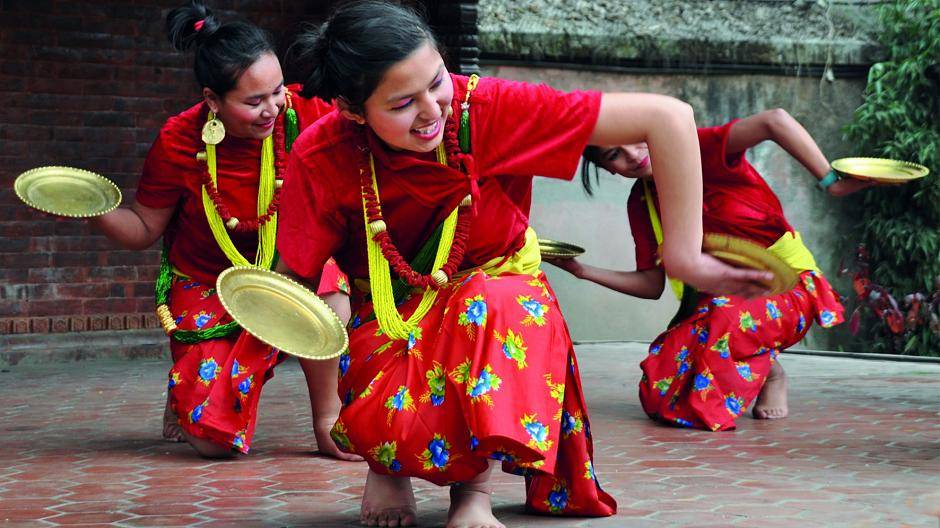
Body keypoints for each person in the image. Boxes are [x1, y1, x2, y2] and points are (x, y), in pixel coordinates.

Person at [277, 2, 771, 526]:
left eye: (437, 81)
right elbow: (302, 286)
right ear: (353, 112)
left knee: (490, 303)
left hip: (494, 290)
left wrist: (682, 254)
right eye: (402, 104)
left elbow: (668, 117)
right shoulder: (323, 153)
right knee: (371, 340)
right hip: (389, 306)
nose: (432, 111)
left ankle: (474, 493)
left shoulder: (484, 108)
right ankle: (388, 467)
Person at [84, 0, 355, 459]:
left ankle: (328, 418)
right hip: (206, 281)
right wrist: (90, 207)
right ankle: (187, 392)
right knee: (212, 443)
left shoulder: (305, 115)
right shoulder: (178, 139)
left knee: (330, 295)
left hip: (284, 267)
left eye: (276, 91)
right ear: (212, 100)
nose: (272, 108)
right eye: (254, 101)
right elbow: (143, 226)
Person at [552, 109, 871, 432]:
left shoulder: (698, 150)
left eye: (637, 139)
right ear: (609, 169)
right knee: (659, 393)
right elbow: (651, 284)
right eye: (614, 155)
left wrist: (830, 181)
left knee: (723, 321)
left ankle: (771, 374)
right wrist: (581, 271)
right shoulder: (641, 201)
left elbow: (773, 120)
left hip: (787, 286)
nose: (633, 155)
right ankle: (766, 367)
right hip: (718, 304)